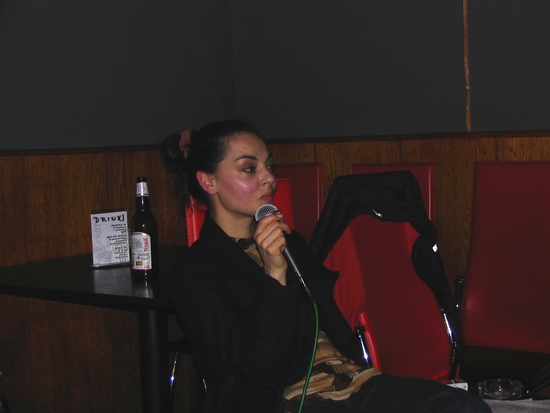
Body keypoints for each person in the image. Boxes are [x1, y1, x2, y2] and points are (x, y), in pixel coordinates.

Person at [161, 119, 491, 413]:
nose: (269, 179)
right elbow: (265, 370)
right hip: (287, 398)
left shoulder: (290, 243)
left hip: (350, 381)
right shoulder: (196, 271)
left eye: (269, 166)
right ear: (209, 182)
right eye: (250, 169)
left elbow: (327, 324)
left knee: (464, 406)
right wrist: (274, 274)